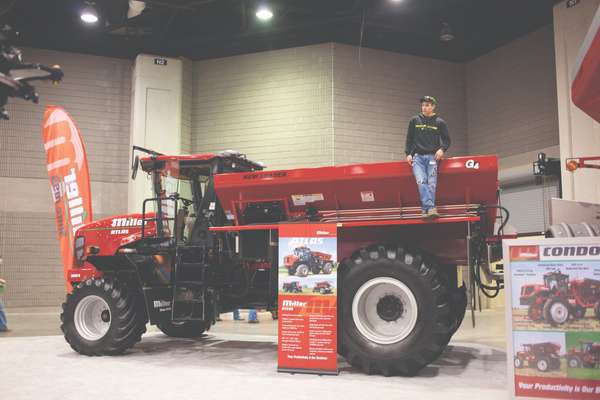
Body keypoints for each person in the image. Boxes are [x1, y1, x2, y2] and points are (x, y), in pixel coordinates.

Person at [405, 96, 451, 218]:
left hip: (432, 158)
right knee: (421, 181)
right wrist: (408, 153)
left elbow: (447, 140)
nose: (424, 107)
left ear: (433, 106)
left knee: (431, 183)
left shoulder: (439, 122)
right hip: (418, 158)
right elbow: (409, 138)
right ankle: (431, 208)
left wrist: (442, 149)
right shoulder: (414, 120)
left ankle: (425, 210)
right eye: (423, 105)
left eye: (427, 105)